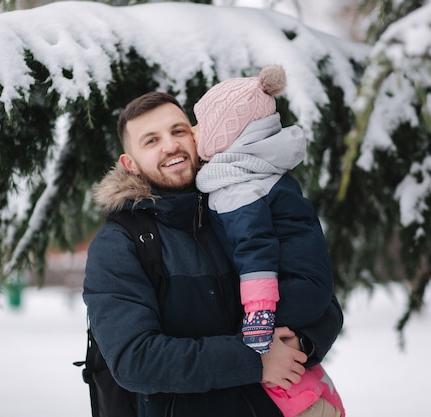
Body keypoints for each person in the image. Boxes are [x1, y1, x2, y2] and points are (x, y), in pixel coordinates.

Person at [83, 90, 343, 417]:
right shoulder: (121, 244)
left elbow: (320, 298)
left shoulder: (241, 203)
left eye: (178, 131)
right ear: (129, 164)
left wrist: (300, 342)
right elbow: (135, 360)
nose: (170, 145)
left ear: (195, 136)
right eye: (151, 141)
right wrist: (255, 359)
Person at [193, 65, 345, 417]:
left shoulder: (241, 184)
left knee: (256, 343)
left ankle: (307, 401)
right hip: (305, 287)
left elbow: (255, 250)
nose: (193, 131)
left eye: (201, 124)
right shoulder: (257, 171)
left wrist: (260, 312)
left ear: (225, 134)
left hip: (292, 290)